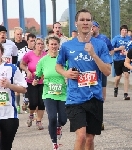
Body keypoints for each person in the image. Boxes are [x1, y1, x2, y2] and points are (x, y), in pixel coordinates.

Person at [55, 9, 112, 150]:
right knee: (81, 136)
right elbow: (58, 66)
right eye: (82, 20)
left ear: (92, 23)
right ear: (76, 23)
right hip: (75, 98)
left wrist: (94, 54)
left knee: (90, 139)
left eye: (88, 20)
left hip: (94, 97)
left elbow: (107, 71)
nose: (85, 22)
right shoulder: (67, 46)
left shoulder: (100, 45)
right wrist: (66, 73)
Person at [0, 41, 27, 150]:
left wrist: (9, 85)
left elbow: (24, 89)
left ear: (2, 53)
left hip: (8, 114)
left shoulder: (11, 68)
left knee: (5, 147)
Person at [32, 35, 67, 150]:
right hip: (48, 92)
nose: (53, 46)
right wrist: (36, 80)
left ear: (58, 46)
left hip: (62, 93)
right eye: (51, 44)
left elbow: (69, 71)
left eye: (55, 44)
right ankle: (54, 143)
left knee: (63, 119)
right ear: (48, 45)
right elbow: (38, 74)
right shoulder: (43, 61)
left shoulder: (63, 59)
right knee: (52, 117)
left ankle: (58, 126)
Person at [20, 38, 46, 129]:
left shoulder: (46, 55)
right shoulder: (29, 55)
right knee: (34, 103)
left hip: (43, 81)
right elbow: (22, 64)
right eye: (38, 43)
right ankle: (31, 115)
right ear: (34, 45)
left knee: (42, 103)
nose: (40, 45)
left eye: (42, 44)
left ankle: (39, 121)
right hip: (31, 82)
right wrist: (27, 71)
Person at [112, 24, 132, 100]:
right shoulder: (116, 38)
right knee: (118, 77)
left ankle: (125, 94)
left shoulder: (129, 39)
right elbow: (111, 49)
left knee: (126, 75)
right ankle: (116, 87)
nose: (124, 32)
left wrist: (127, 52)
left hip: (126, 60)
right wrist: (118, 48)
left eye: (125, 30)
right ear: (120, 31)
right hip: (117, 59)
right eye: (123, 30)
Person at [13, 27, 28, 113]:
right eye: (17, 34)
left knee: (24, 86)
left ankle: (25, 104)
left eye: (20, 34)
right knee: (17, 88)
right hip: (16, 67)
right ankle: (18, 105)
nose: (19, 36)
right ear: (14, 34)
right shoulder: (12, 44)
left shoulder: (25, 43)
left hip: (24, 67)